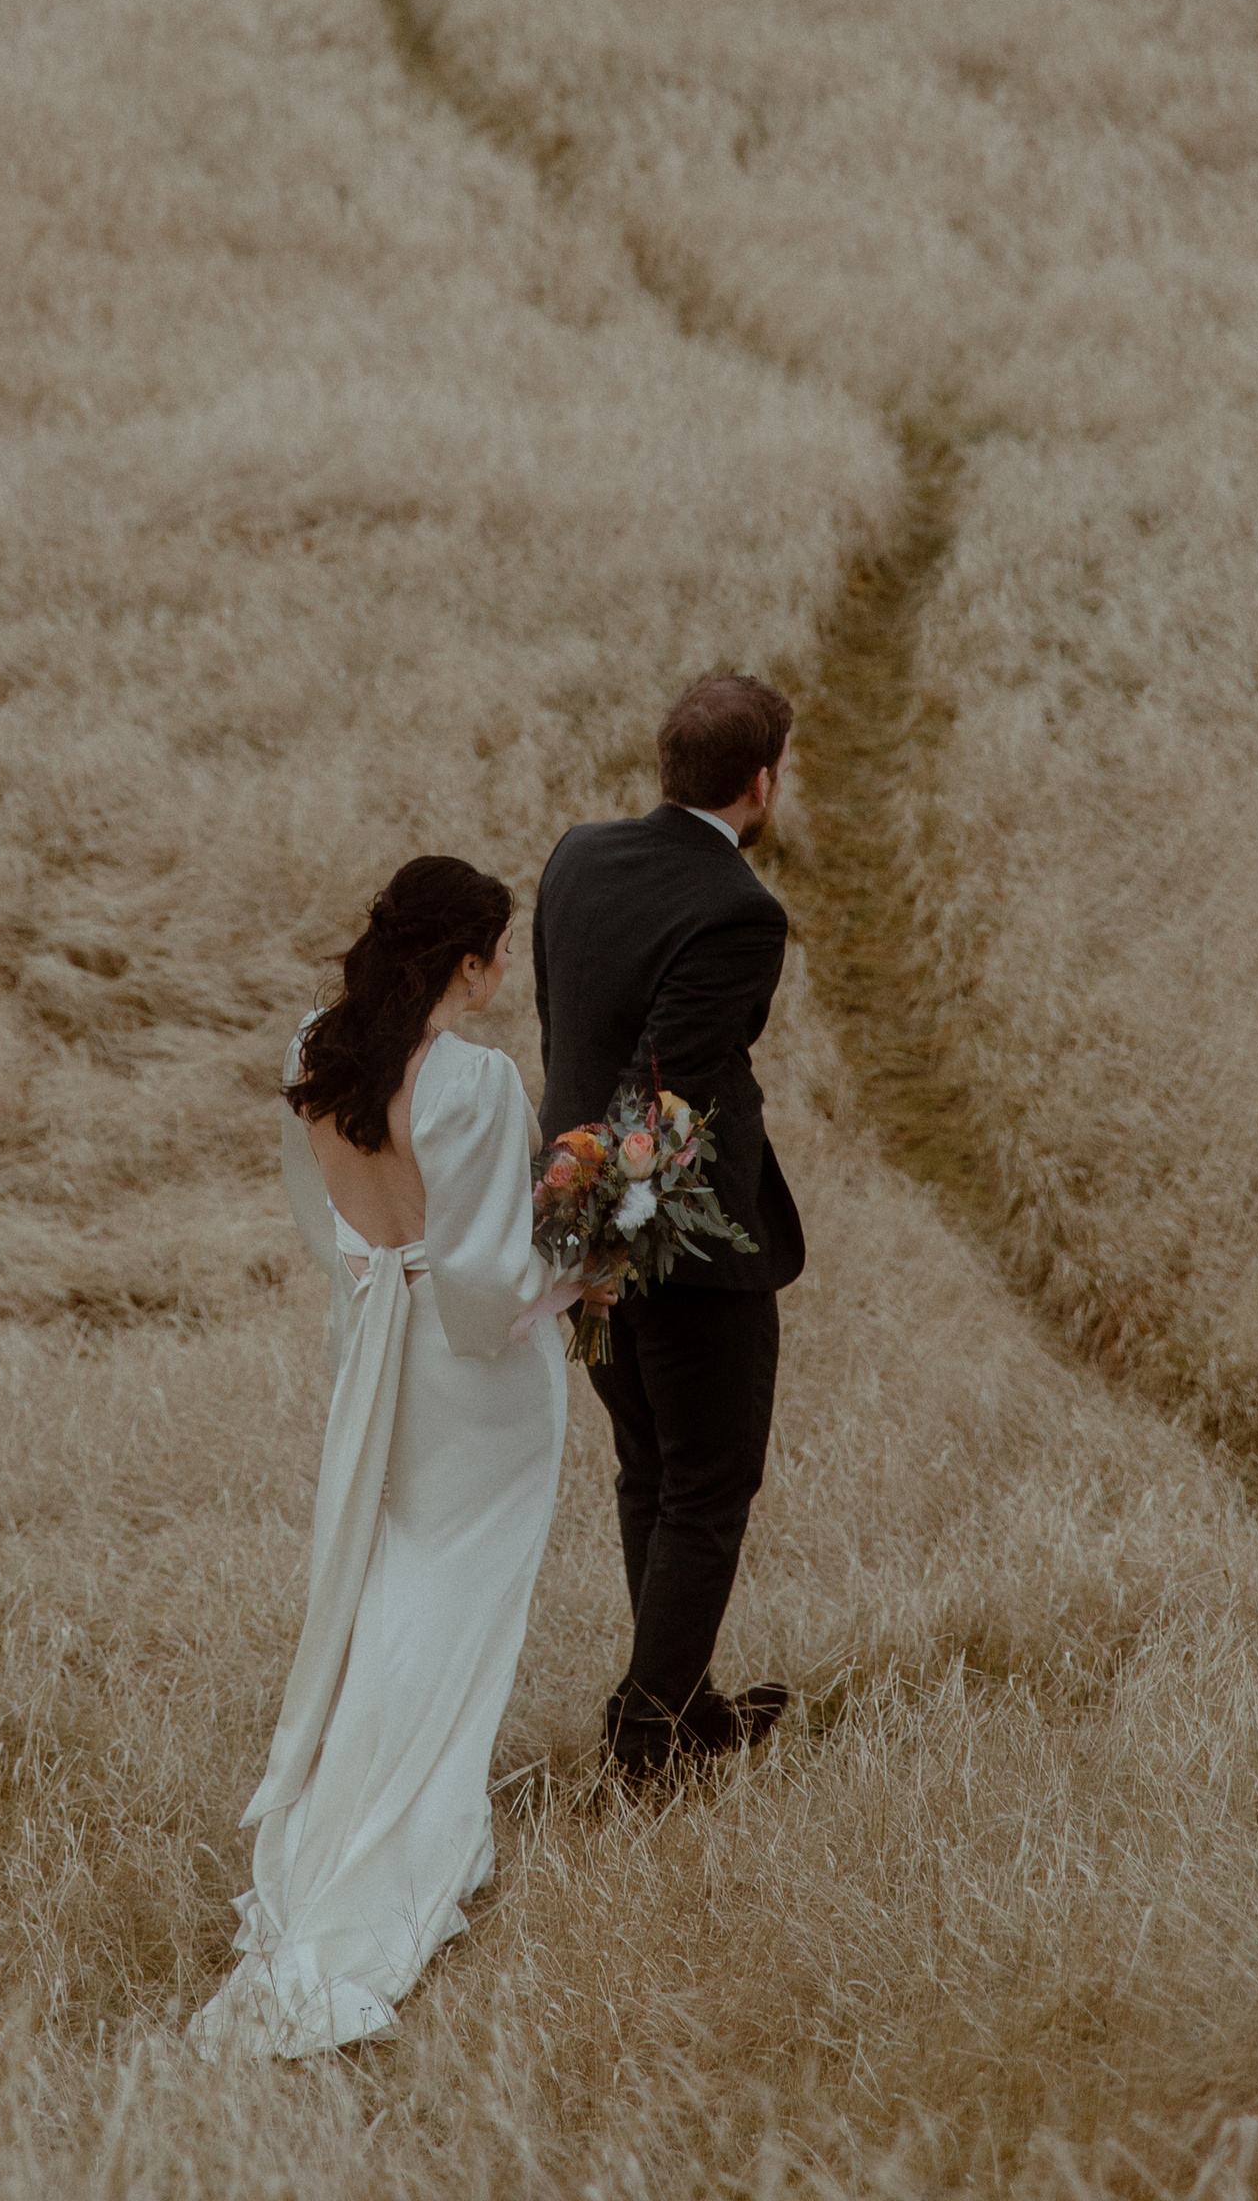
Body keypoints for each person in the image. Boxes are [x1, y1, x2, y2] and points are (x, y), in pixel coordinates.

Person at [190, 854, 566, 2061]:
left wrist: (372, 1302)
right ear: (467, 959)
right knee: (454, 1607)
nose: (508, 972)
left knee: (390, 1581)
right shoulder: (477, 1080)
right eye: (501, 951)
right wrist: (587, 1270)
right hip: (477, 1379)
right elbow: (484, 1274)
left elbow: (331, 1222)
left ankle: (368, 1835)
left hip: (378, 1352)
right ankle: (390, 1858)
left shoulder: (315, 1048)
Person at [533, 673, 803, 1784]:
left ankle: (680, 1705)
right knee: (706, 1482)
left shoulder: (575, 856)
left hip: (578, 1221)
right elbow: (673, 1082)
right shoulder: (739, 907)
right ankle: (649, 1741)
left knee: (649, 1467)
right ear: (762, 782)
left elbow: (572, 1040)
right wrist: (645, 1235)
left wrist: (590, 1233)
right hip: (682, 1243)